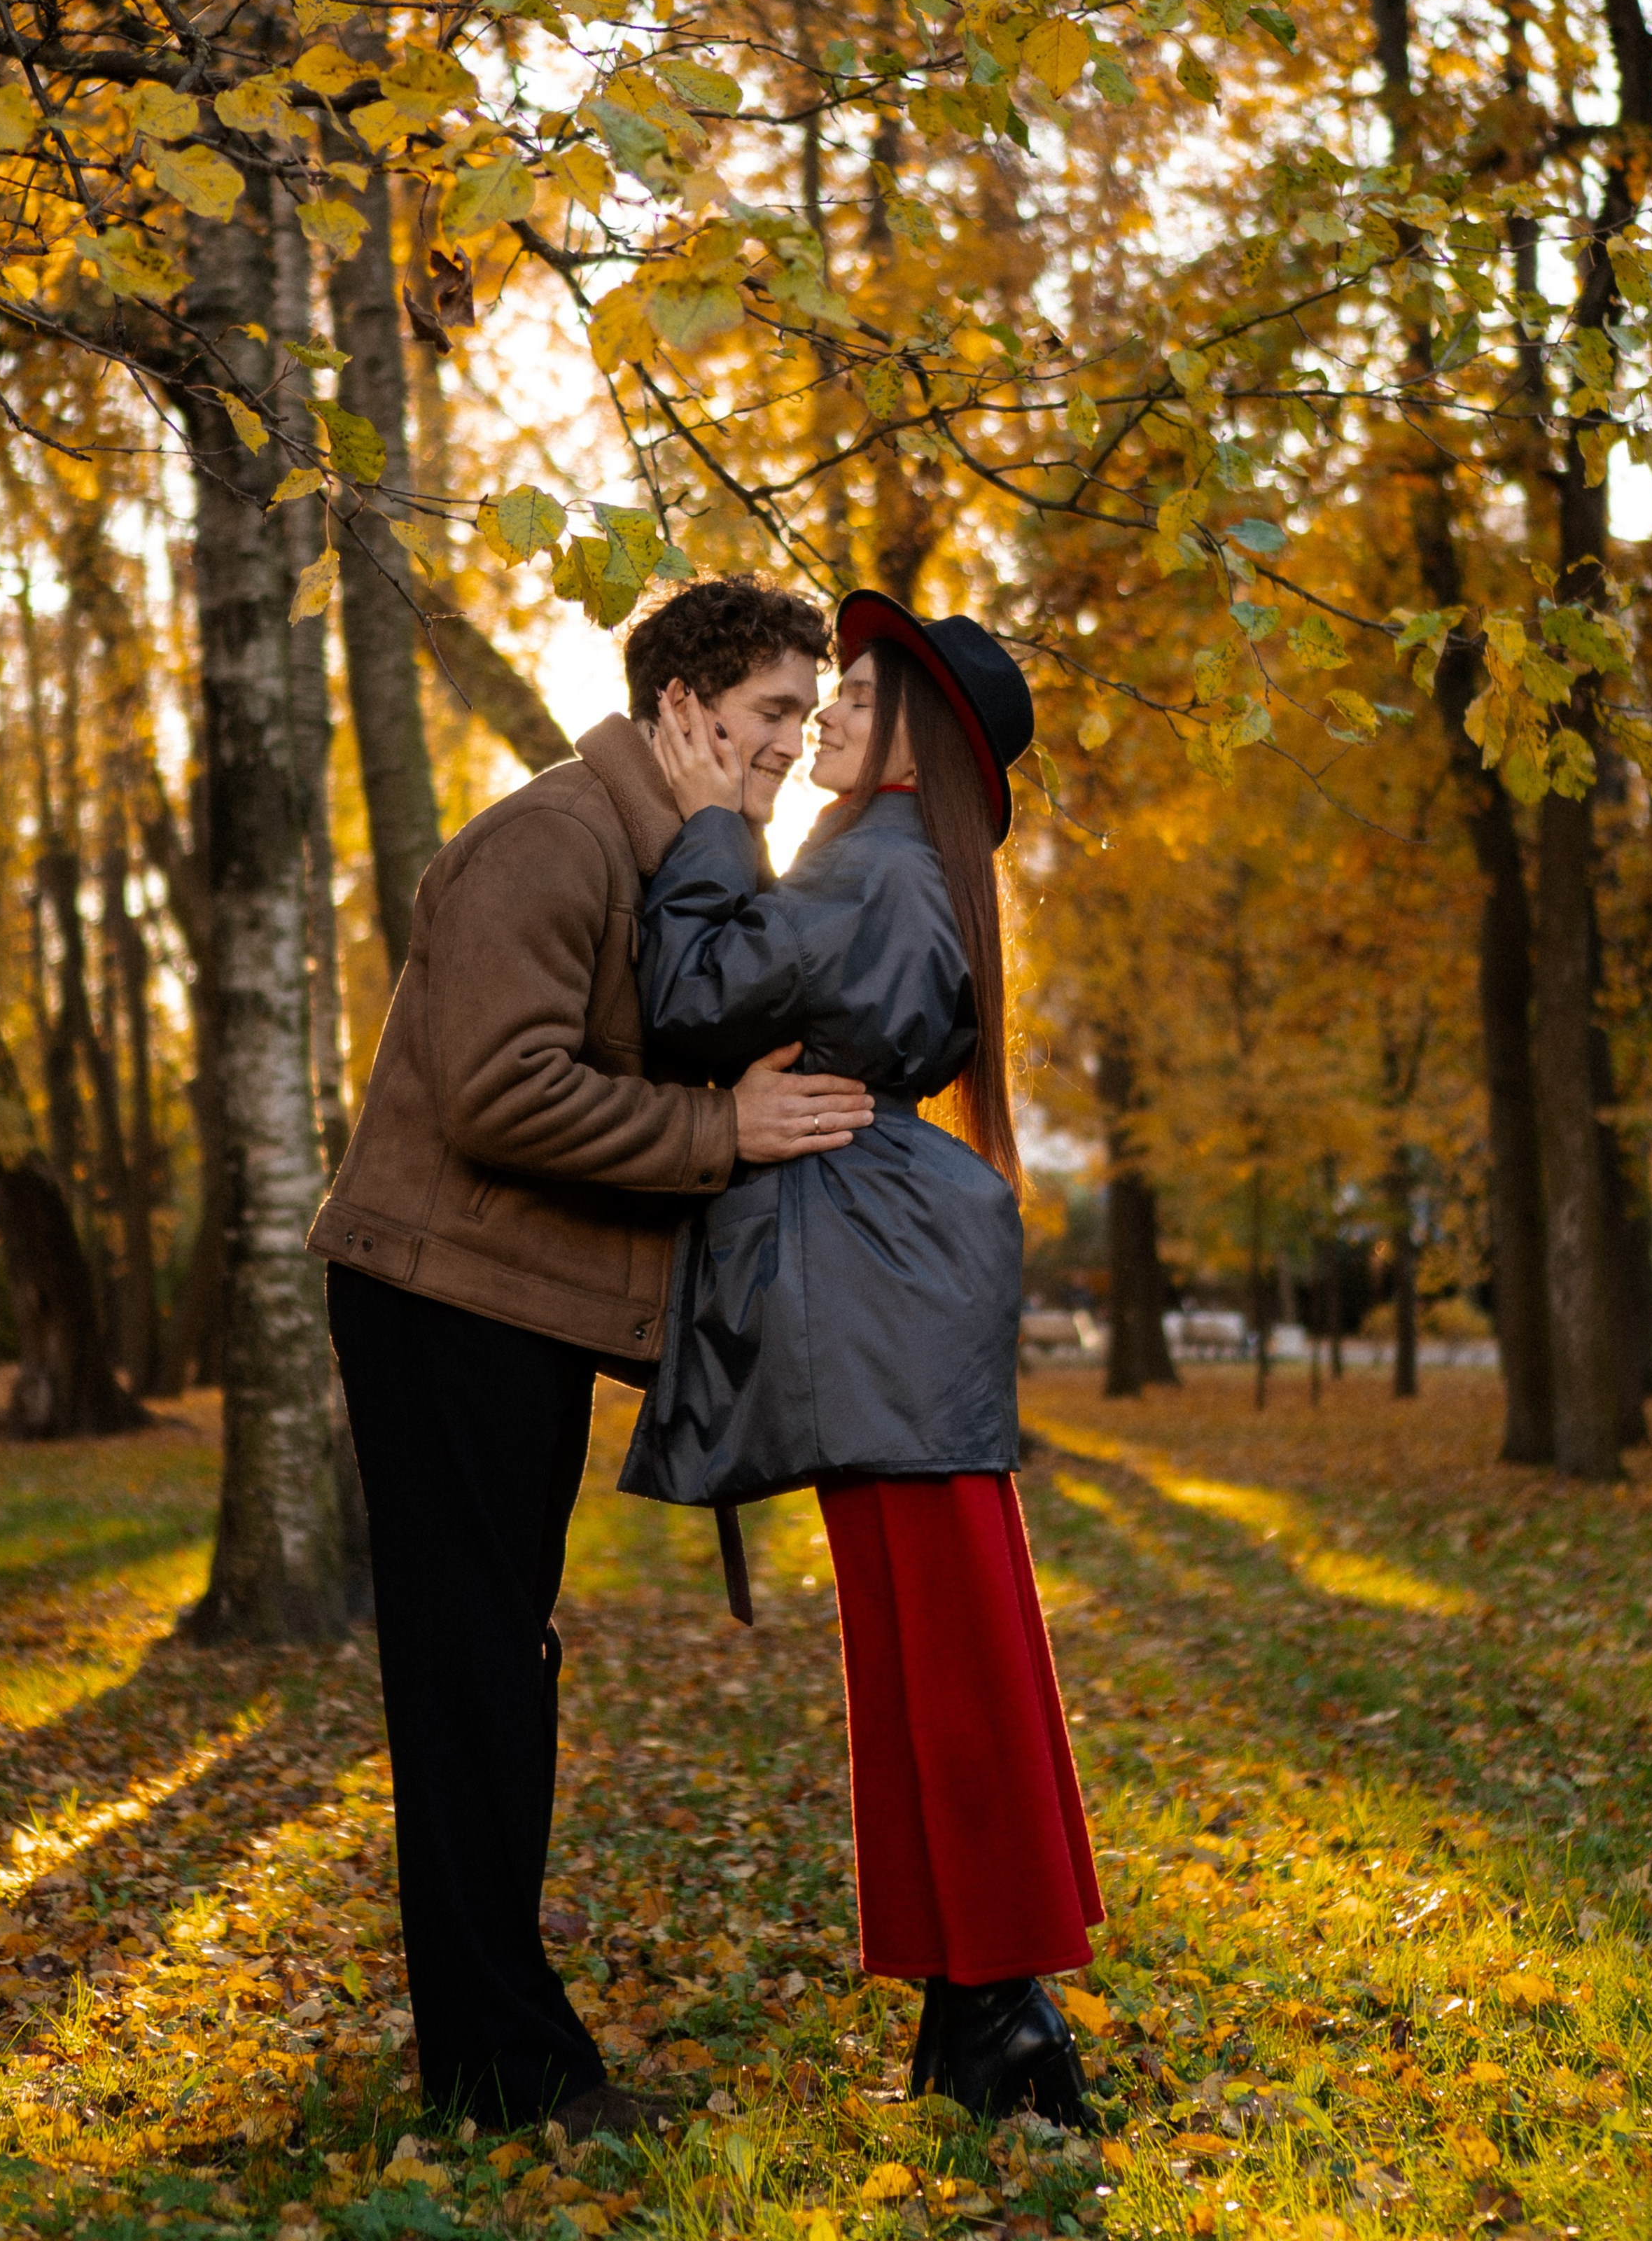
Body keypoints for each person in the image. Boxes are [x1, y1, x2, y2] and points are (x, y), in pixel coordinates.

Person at [307, 577, 878, 2137]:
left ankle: (501, 2057)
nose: (791, 740)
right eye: (770, 712)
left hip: (512, 1303)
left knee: (499, 1669)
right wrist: (720, 1130)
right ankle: (503, 2076)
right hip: (441, 1300)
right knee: (473, 1677)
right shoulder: (551, 840)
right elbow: (500, 1093)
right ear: (683, 706)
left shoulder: (664, 848)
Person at [620, 589, 1102, 2123]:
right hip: (883, 1280)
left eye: (858, 692)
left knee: (947, 1652)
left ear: (917, 745)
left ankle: (1008, 2008)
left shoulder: (877, 869)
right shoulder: (877, 864)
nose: (825, 706)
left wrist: (705, 823)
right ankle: (975, 2009)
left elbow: (691, 996)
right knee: (920, 1651)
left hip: (879, 1290)